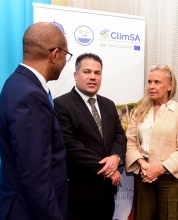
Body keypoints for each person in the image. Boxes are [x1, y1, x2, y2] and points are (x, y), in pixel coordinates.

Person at [0, 22, 71, 220]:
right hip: (29, 211)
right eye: (66, 56)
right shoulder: (30, 96)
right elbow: (35, 177)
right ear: (55, 54)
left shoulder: (18, 84)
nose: (65, 62)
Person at [54, 53, 127, 220]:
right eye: (87, 72)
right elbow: (69, 144)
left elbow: (120, 136)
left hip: (107, 192)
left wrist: (116, 157)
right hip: (80, 192)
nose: (93, 77)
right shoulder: (62, 105)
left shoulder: (108, 104)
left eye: (97, 73)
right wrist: (108, 169)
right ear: (75, 75)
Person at [125, 64, 178, 220]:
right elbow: (130, 142)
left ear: (169, 85)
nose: (151, 86)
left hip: (171, 180)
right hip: (144, 178)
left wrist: (160, 169)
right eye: (149, 82)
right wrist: (143, 164)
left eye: (157, 82)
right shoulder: (139, 111)